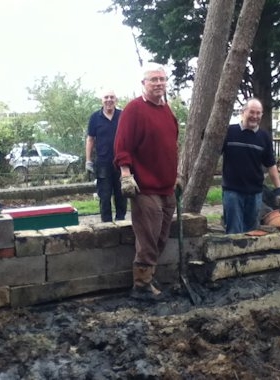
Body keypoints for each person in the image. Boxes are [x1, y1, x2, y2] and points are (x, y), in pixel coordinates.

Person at [113, 63, 181, 301]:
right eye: (154, 80)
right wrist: (126, 175)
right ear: (143, 84)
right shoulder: (134, 110)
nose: (159, 84)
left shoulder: (166, 110)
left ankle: (149, 275)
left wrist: (177, 175)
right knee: (148, 236)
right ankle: (141, 284)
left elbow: (172, 145)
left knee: (161, 236)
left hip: (166, 186)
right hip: (145, 187)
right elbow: (122, 145)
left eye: (162, 79)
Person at [221, 98, 280, 234]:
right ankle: (234, 255)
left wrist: (279, 189)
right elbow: (213, 152)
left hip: (255, 193)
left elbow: (271, 165)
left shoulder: (264, 137)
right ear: (243, 112)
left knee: (252, 232)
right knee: (234, 231)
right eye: (251, 112)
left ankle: (247, 256)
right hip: (232, 192)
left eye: (258, 113)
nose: (254, 116)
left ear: (261, 115)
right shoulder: (229, 132)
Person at [86, 89, 127, 222]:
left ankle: (121, 223)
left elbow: (129, 138)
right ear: (101, 100)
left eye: (112, 97)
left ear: (116, 100)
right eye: (106, 97)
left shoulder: (123, 116)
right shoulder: (95, 118)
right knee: (104, 195)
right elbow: (90, 139)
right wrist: (88, 160)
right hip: (103, 163)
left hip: (121, 163)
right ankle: (107, 225)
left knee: (121, 195)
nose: (109, 100)